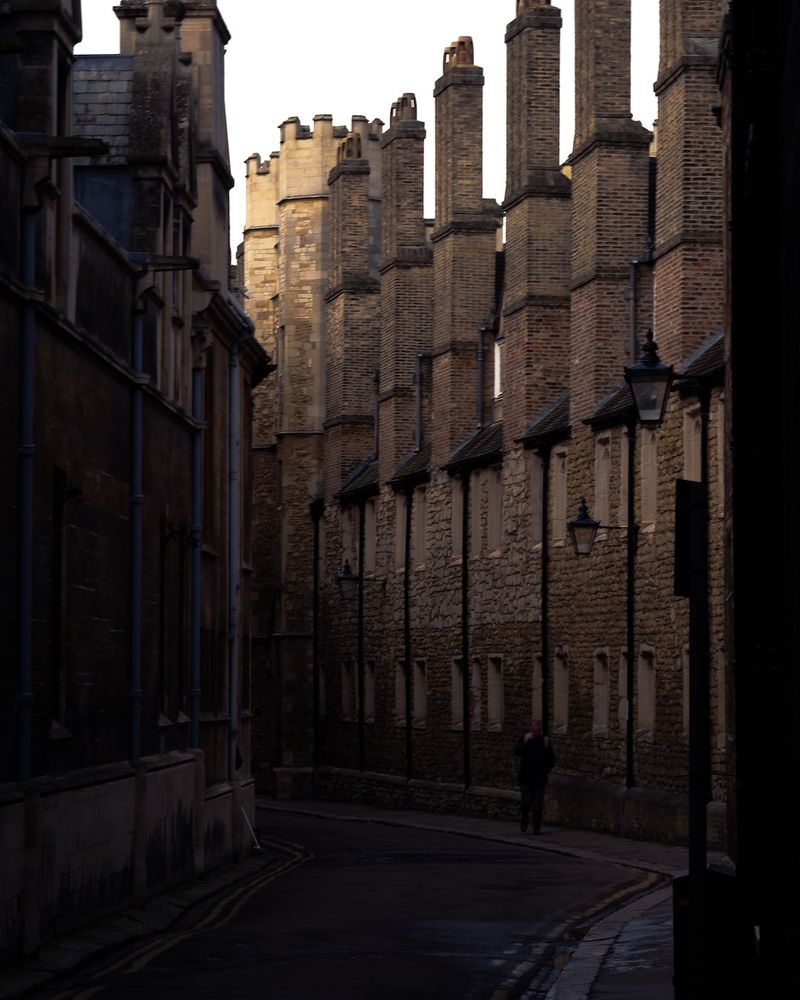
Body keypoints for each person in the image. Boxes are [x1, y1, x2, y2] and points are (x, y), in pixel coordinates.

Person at [514, 720, 555, 834]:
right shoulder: (525, 739)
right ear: (531, 730)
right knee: (526, 801)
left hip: (539, 778)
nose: (536, 732)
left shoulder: (545, 741)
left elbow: (551, 758)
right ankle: (524, 820)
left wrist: (546, 770)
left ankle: (536, 827)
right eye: (534, 730)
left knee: (538, 803)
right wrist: (526, 743)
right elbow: (517, 751)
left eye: (538, 730)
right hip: (526, 777)